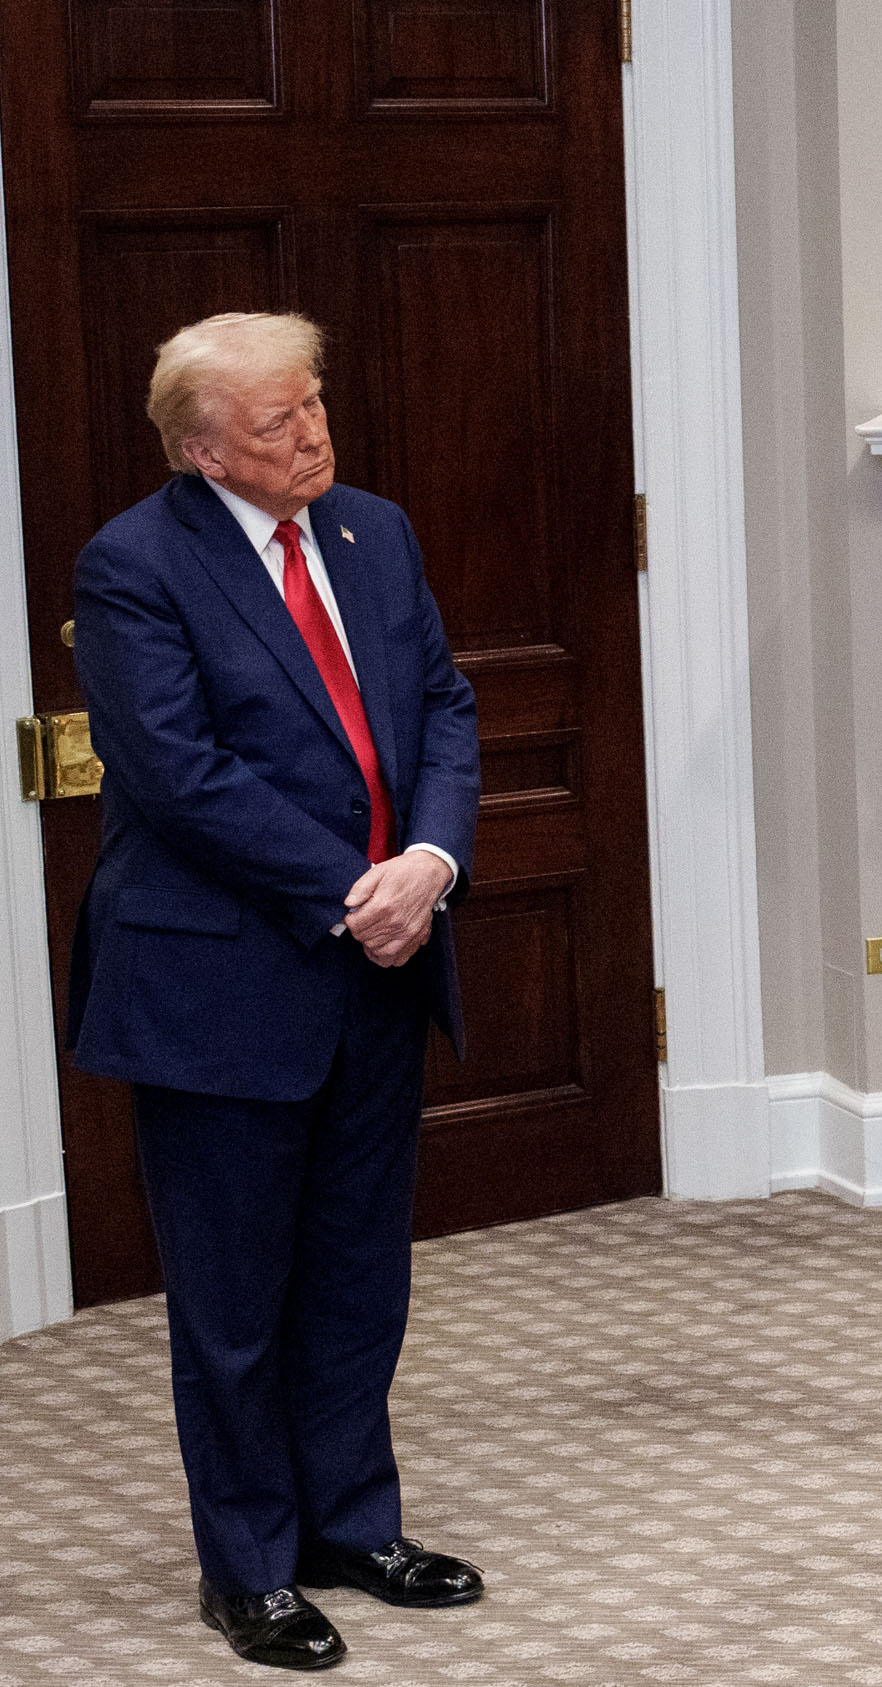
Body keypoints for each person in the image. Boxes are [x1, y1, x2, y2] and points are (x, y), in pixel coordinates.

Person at [66, 313, 485, 1671]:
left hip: (380, 961)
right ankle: (246, 1565)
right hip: (222, 982)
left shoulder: (376, 529)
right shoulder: (135, 565)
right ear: (200, 450)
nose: (310, 434)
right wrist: (357, 890)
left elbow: (443, 704)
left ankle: (352, 1523)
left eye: (312, 405)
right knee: (235, 1300)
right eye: (274, 423)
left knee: (358, 1276)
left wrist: (425, 861)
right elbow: (182, 778)